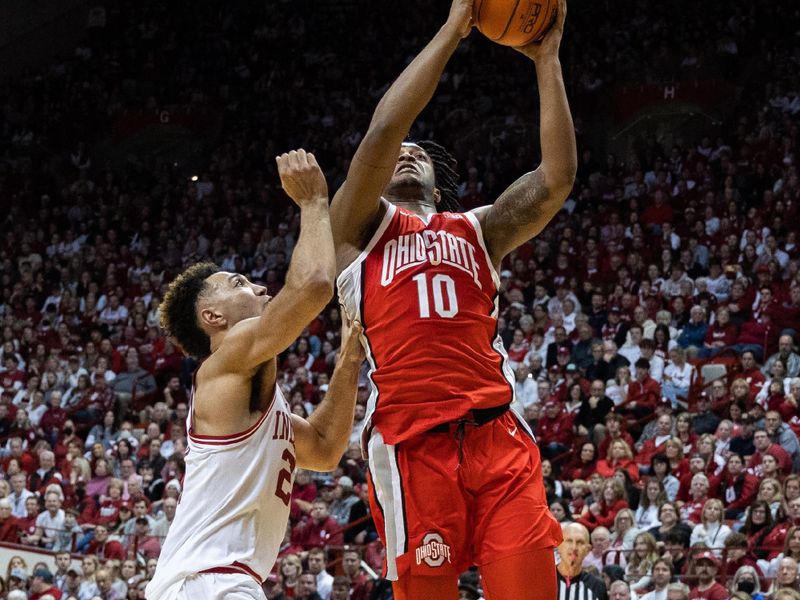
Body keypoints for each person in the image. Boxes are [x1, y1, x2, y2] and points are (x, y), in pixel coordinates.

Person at [330, 0, 575, 597]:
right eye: (399, 154)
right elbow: (385, 129)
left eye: (422, 154)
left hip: (498, 438)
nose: (408, 151)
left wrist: (546, 59)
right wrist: (452, 28)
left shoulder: (478, 229)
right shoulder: (354, 230)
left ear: (439, 188)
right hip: (413, 445)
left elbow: (555, 179)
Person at [147, 151, 366, 600]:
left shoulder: (252, 389)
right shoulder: (226, 361)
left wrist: (348, 360)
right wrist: (312, 203)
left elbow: (324, 450)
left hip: (215, 581)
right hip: (210, 581)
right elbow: (313, 287)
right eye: (238, 283)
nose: (260, 288)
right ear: (212, 316)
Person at [557, 523, 608, 600]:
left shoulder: (597, 586)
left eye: (580, 542)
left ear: (588, 550)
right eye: (569, 541)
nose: (574, 547)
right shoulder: (542, 581)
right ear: (559, 545)